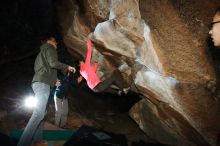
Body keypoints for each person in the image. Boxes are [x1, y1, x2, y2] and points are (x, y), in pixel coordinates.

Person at [17, 37, 76, 146]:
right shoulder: (50, 48)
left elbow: (44, 70)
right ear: (49, 41)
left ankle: (38, 141)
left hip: (39, 83)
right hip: (42, 85)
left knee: (42, 113)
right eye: (55, 41)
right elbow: (53, 63)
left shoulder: (41, 53)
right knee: (38, 113)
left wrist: (54, 81)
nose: (56, 44)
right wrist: (67, 66)